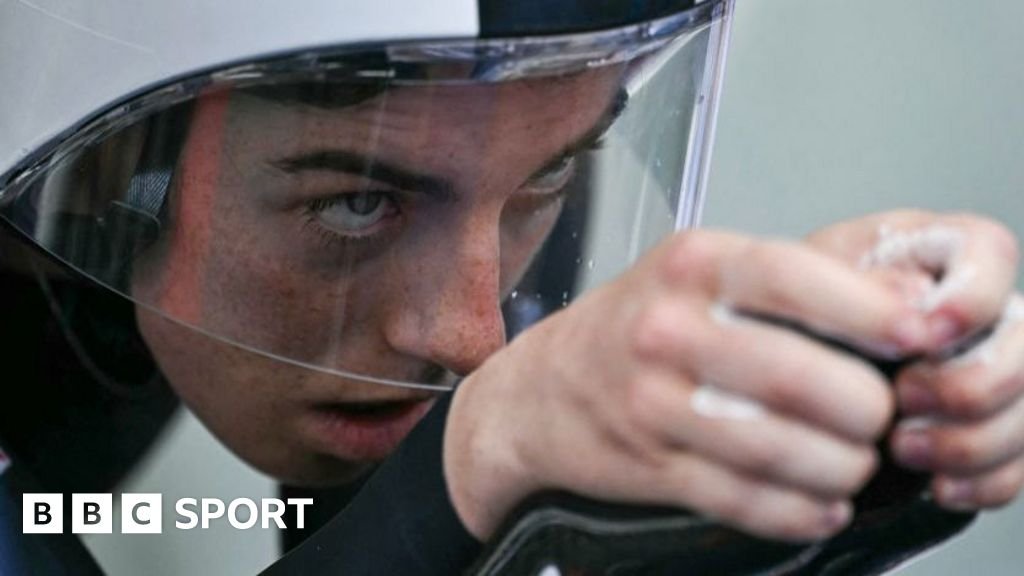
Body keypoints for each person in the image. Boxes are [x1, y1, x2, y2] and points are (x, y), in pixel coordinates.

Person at [1, 0, 1023, 573]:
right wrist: (474, 464)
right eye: (358, 204)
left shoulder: (474, 141)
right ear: (101, 172)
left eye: (547, 176)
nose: (471, 332)